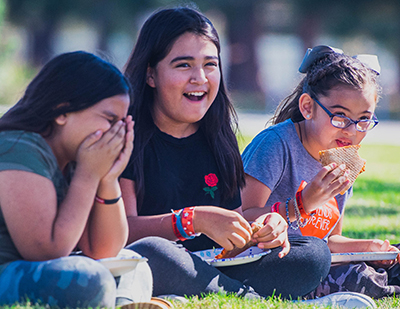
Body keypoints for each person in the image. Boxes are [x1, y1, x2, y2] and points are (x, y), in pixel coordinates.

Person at [120, 6, 332, 301]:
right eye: (183, 65)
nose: (200, 78)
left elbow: (236, 236)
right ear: (150, 75)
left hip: (213, 266)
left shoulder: (218, 137)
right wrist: (191, 220)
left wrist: (267, 230)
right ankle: (244, 297)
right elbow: (122, 231)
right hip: (153, 260)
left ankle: (217, 290)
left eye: (210, 64)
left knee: (313, 254)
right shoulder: (125, 135)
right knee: (150, 253)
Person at [241, 45, 400, 299]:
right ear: (307, 107)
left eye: (364, 120)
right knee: (350, 273)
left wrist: (368, 248)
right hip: (269, 261)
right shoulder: (275, 145)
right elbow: (242, 218)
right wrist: (303, 204)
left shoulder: (343, 162)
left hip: (316, 256)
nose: (351, 131)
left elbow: (329, 241)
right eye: (340, 117)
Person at [0, 51, 154, 308]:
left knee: (134, 264)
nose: (117, 132)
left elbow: (104, 250)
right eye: (109, 120)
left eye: (123, 123)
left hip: (44, 270)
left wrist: (108, 177)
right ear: (62, 111)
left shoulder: (75, 159)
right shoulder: (19, 146)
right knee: (87, 279)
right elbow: (45, 252)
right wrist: (88, 174)